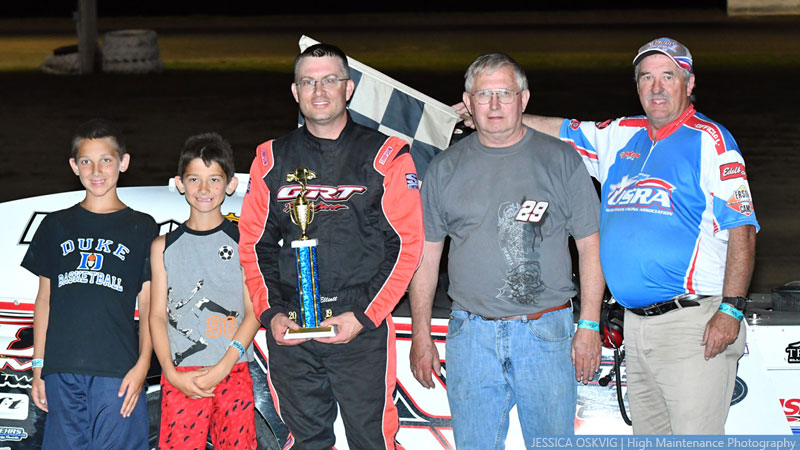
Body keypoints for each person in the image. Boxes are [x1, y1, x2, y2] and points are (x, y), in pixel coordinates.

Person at [491, 37, 757, 434]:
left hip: (692, 325)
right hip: (635, 326)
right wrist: (498, 116)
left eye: (668, 76)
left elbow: (743, 230)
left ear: (689, 83)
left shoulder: (711, 141)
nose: (656, 87)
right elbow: (560, 131)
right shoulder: (620, 134)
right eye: (646, 77)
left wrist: (732, 309)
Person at [409, 53, 605, 447]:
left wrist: (588, 325)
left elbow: (591, 246)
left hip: (546, 334)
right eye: (484, 95)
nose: (495, 104)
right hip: (471, 337)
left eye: (505, 93)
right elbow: (425, 257)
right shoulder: (444, 168)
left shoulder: (562, 160)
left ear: (524, 99)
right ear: (469, 103)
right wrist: (420, 333)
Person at [238, 43, 424, 449]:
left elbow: (406, 246)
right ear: (295, 92)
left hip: (360, 327)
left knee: (372, 441)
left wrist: (364, 315)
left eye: (329, 81)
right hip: (292, 329)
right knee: (306, 442)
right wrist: (272, 313)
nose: (319, 91)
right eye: (308, 82)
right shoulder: (271, 159)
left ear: (348, 88)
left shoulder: (386, 156)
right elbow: (254, 244)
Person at [22, 119, 157, 449]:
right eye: (86, 161)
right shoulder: (55, 225)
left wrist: (142, 366)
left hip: (118, 371)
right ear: (74, 166)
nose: (96, 171)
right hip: (62, 369)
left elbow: (150, 306)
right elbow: (44, 300)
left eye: (106, 160)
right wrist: (38, 368)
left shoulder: (142, 227)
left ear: (123, 162)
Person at [149, 133, 260, 449]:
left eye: (214, 179)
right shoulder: (163, 247)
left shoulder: (243, 242)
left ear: (230, 185)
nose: (203, 189)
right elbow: (156, 316)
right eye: (194, 179)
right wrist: (170, 372)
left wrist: (223, 366)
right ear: (180, 184)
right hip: (181, 376)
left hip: (233, 369)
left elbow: (254, 312)